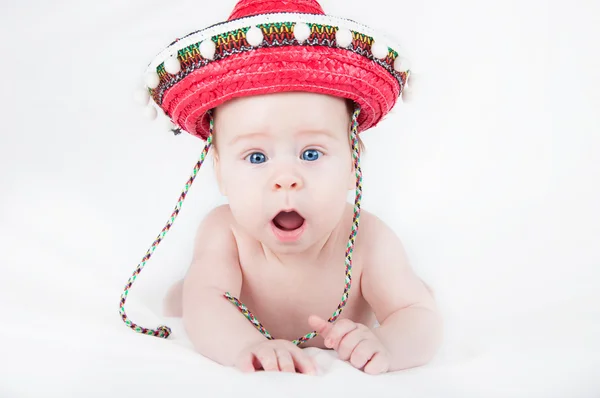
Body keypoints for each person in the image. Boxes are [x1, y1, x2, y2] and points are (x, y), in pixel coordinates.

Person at [121, 0, 442, 376]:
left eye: (311, 153)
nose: (286, 178)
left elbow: (417, 316)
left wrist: (388, 343)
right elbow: (206, 304)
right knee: (183, 296)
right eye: (256, 157)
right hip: (206, 301)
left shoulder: (370, 241)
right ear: (220, 172)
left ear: (354, 162)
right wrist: (248, 346)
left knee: (422, 294)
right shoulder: (225, 234)